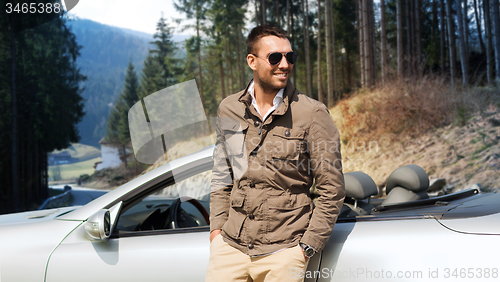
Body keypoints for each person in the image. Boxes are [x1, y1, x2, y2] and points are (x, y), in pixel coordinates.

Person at [206, 25, 345, 282]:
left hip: (284, 251)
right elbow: (223, 175)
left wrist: (305, 248)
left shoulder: (312, 114)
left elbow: (332, 189)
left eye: (289, 57)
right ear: (252, 61)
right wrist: (216, 232)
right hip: (230, 248)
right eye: (275, 57)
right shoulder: (229, 109)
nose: (284, 64)